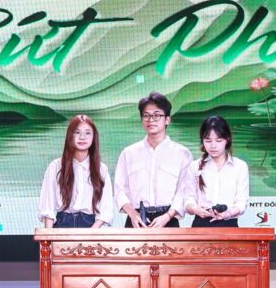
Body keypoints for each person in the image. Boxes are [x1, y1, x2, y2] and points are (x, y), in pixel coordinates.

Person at [114, 92, 193, 228]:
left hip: (167, 220)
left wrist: (168, 216)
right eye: (146, 115)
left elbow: (183, 190)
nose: (151, 120)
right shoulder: (128, 153)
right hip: (136, 219)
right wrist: (133, 214)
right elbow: (120, 189)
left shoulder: (182, 154)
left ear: (167, 120)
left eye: (157, 115)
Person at [38, 114, 114, 229]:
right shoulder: (56, 166)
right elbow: (47, 206)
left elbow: (106, 209)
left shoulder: (101, 169)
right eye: (77, 132)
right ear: (70, 136)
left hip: (91, 226)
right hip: (62, 224)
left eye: (87, 133)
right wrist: (49, 236)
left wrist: (91, 233)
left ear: (94, 137)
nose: (82, 137)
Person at [182, 115, 249, 228]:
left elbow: (241, 202)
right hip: (201, 224)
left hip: (229, 224)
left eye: (218, 140)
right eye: (208, 141)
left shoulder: (240, 166)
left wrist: (228, 214)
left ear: (227, 139)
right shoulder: (194, 166)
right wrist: (195, 209)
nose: (213, 146)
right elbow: (188, 199)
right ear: (203, 141)